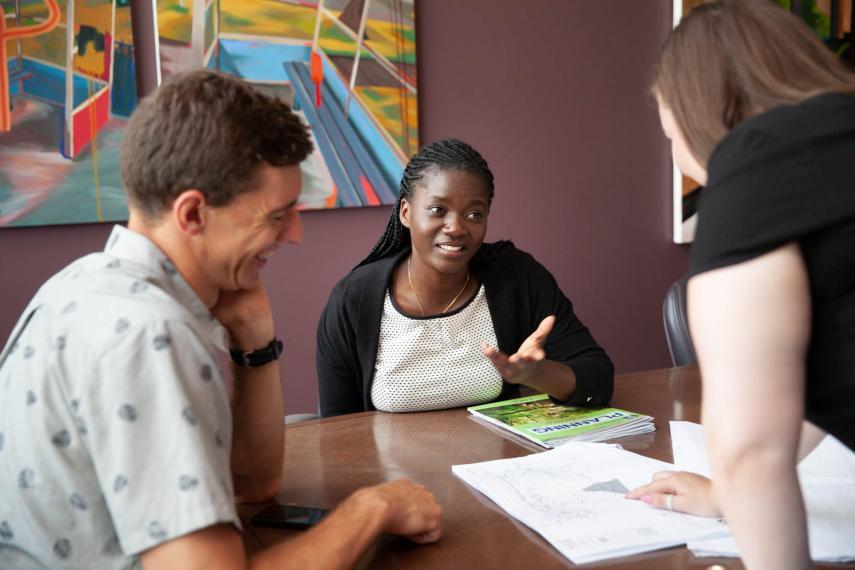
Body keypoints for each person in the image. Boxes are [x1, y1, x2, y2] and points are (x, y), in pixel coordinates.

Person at [0, 69, 441, 570]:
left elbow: (252, 485)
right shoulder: (151, 335)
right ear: (192, 214)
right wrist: (372, 507)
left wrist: (254, 341)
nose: (294, 234)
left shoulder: (78, 283)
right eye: (277, 215)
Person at [625, 1, 855, 568]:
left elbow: (753, 451)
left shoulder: (756, 168)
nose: (678, 155)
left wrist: (736, 477)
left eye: (668, 133)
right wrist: (724, 493)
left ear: (698, 111)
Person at [316, 138, 614, 417]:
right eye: (437, 210)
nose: (456, 227)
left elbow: (598, 379)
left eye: (474, 214)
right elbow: (337, 430)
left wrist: (537, 375)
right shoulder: (354, 300)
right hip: (397, 473)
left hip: (496, 468)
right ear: (406, 213)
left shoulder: (517, 278)